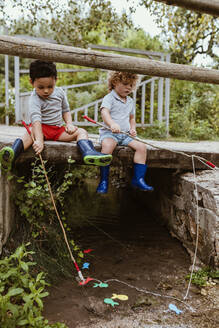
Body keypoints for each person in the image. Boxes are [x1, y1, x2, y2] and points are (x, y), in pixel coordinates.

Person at [0, 60, 112, 172]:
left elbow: (65, 110)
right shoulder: (34, 98)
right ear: (31, 82)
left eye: (50, 86)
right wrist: (39, 141)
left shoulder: (60, 93)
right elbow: (36, 120)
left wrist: (69, 124)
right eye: (41, 87)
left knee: (81, 132)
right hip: (40, 129)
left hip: (58, 130)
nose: (46, 91)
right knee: (28, 134)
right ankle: (11, 154)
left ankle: (88, 152)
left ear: (55, 80)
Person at [96, 71, 153, 194]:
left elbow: (131, 118)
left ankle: (138, 179)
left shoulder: (130, 101)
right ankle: (104, 180)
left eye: (131, 85)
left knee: (142, 147)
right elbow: (104, 113)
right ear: (115, 82)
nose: (129, 87)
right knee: (107, 146)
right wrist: (112, 124)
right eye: (126, 84)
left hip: (125, 135)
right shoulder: (109, 98)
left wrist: (133, 128)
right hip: (109, 133)